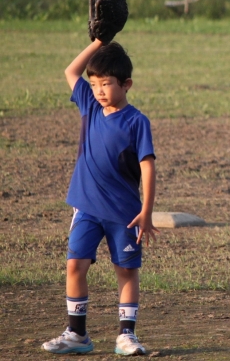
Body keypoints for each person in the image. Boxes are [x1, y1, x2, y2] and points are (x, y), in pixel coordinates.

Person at [41, 39, 158, 356]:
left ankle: (126, 336)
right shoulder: (90, 106)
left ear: (126, 84)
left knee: (126, 271)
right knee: (75, 265)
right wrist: (99, 42)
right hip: (87, 207)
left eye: (106, 83)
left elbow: (147, 167)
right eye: (94, 84)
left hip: (125, 212)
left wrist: (147, 211)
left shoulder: (137, 122)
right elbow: (71, 70)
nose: (99, 90)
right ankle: (77, 334)